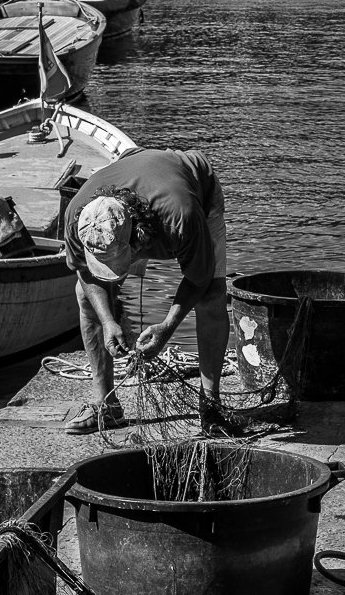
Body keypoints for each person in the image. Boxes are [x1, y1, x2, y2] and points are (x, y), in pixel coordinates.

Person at [59, 147, 229, 433]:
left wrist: (167, 326)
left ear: (137, 241)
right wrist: (108, 321)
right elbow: (84, 271)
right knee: (85, 297)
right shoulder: (78, 216)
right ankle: (105, 405)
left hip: (195, 184)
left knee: (211, 296)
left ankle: (210, 405)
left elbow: (199, 279)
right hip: (134, 170)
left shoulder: (181, 216)